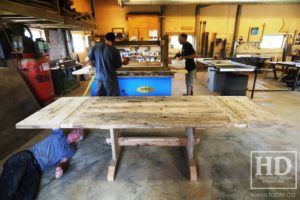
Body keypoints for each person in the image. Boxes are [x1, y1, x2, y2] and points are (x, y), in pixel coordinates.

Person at [0, 128, 84, 200]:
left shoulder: (70, 150)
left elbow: (64, 162)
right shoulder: (59, 133)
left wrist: (60, 168)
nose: (76, 131)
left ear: (78, 140)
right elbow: (55, 121)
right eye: (76, 129)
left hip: (36, 170)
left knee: (27, 196)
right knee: (9, 185)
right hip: (28, 157)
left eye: (79, 133)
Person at [85, 32, 129, 96]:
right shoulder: (114, 50)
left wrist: (96, 65)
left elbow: (87, 59)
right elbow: (118, 65)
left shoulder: (96, 47)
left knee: (100, 99)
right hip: (110, 79)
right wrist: (124, 62)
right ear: (114, 40)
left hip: (99, 78)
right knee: (113, 99)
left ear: (105, 38)